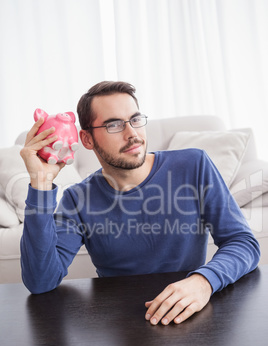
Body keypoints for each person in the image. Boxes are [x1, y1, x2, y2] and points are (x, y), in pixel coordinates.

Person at [20, 81, 260, 326]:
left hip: (190, 317)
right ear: (87, 139)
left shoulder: (194, 165)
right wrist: (40, 182)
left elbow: (243, 243)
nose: (132, 134)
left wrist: (203, 281)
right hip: (123, 322)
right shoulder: (77, 199)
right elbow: (41, 281)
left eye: (135, 119)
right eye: (114, 124)